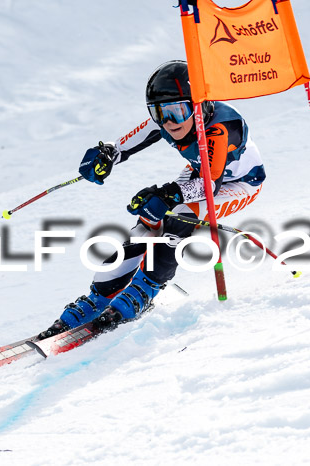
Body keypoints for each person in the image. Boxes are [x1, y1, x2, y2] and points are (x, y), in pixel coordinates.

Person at [38, 60, 266, 339]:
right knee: (149, 218)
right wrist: (107, 155)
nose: (168, 122)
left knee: (180, 215)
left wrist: (168, 194)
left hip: (240, 184)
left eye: (177, 111)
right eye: (159, 113)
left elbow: (210, 185)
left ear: (199, 105)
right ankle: (102, 293)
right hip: (199, 172)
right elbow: (124, 146)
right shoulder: (168, 122)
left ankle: (147, 287)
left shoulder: (220, 128)